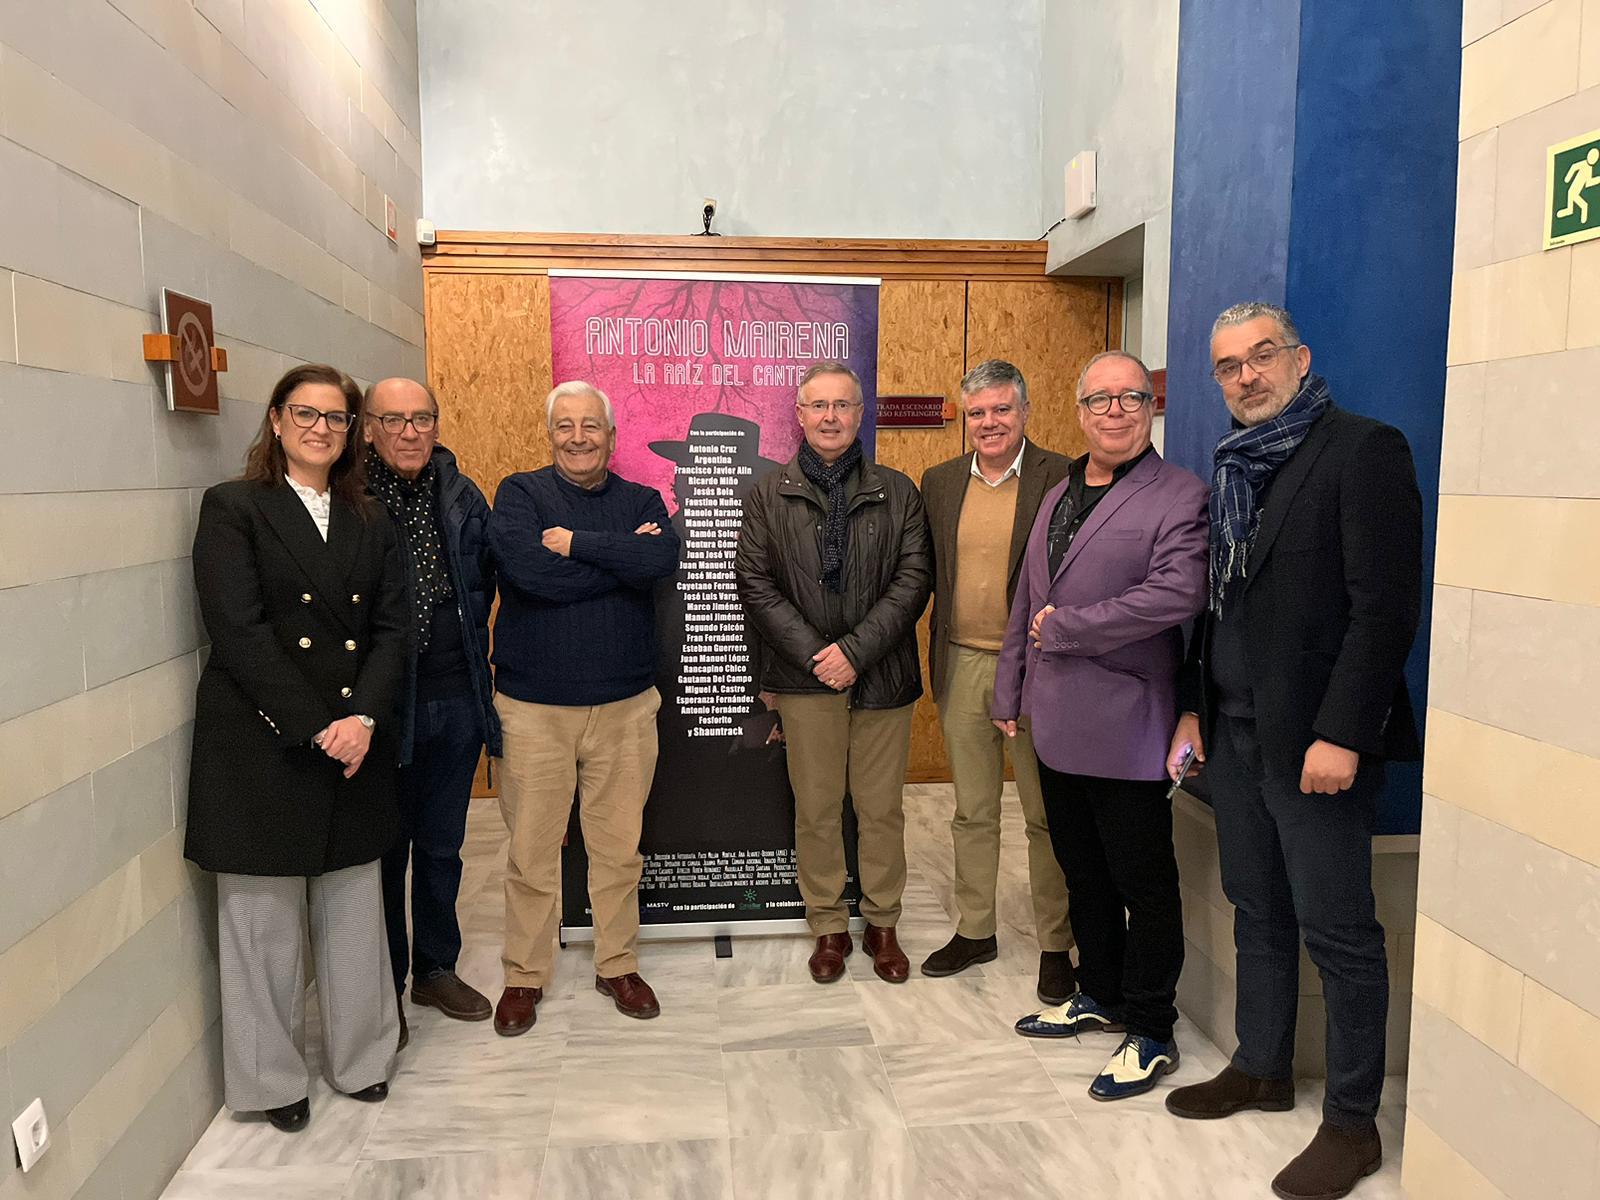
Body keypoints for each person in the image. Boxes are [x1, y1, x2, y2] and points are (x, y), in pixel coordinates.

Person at [1163, 303, 1422, 1200]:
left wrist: (1343, 733)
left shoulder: (1363, 451)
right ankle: (1262, 1067)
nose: (1246, 376)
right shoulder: (1235, 466)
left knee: (1340, 934)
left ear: (1299, 359)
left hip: (1316, 746)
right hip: (1234, 736)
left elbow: (1385, 611)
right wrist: (1193, 709)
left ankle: (1352, 1125)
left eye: (1261, 356)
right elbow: (1217, 609)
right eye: (1228, 365)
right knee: (1257, 909)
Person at [185, 364, 408, 1133]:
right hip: (262, 739)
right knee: (262, 923)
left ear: (352, 433)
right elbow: (237, 630)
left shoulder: (370, 517)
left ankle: (361, 1059)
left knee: (353, 911)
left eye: (336, 417)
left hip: (354, 738)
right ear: (277, 420)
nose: (321, 428)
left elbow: (393, 630)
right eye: (306, 414)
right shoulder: (234, 507)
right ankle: (270, 1079)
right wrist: (319, 724)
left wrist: (363, 718)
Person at [997, 350, 1208, 1102]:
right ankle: (1101, 992)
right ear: (1079, 411)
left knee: (1142, 883)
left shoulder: (1179, 494)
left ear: (1151, 407)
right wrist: (1008, 689)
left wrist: (1071, 629)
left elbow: (1177, 594)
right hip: (1054, 723)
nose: (1114, 411)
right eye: (1099, 399)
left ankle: (1151, 1029)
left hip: (1129, 725)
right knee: (1081, 871)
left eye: (1130, 397)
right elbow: (1028, 601)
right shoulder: (1058, 494)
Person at [487, 381, 680, 1034]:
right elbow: (529, 576)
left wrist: (576, 543)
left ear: (611, 437)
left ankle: (616, 963)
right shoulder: (520, 494)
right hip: (534, 711)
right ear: (550, 434)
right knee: (532, 853)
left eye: (590, 426)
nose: (578, 437)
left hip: (626, 708)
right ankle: (524, 973)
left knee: (619, 850)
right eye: (565, 425)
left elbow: (661, 558)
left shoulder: (642, 499)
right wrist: (622, 555)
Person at [735, 361, 932, 984]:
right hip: (804, 679)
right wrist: (820, 654)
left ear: (860, 414)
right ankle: (827, 924)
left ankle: (882, 923)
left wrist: (855, 651)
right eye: (818, 405)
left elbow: (914, 580)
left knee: (881, 810)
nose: (830, 417)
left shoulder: (898, 491)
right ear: (799, 415)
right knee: (817, 807)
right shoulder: (768, 493)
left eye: (842, 405)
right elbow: (755, 584)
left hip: (883, 677)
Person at [916, 360, 1075, 1004]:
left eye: (1002, 409)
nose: (989, 423)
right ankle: (975, 929)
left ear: (1025, 412)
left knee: (1044, 814)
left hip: (1038, 669)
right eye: (977, 412)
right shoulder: (940, 481)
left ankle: (1056, 945)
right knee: (972, 810)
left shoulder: (1061, 476)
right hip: (962, 664)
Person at [363, 378, 501, 1049]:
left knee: (443, 846)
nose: (410, 432)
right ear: (369, 428)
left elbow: (491, 577)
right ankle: (384, 987)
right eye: (394, 420)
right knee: (386, 851)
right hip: (386, 705)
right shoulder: (349, 499)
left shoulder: (462, 493)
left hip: (457, 695)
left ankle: (436, 969)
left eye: (422, 419)